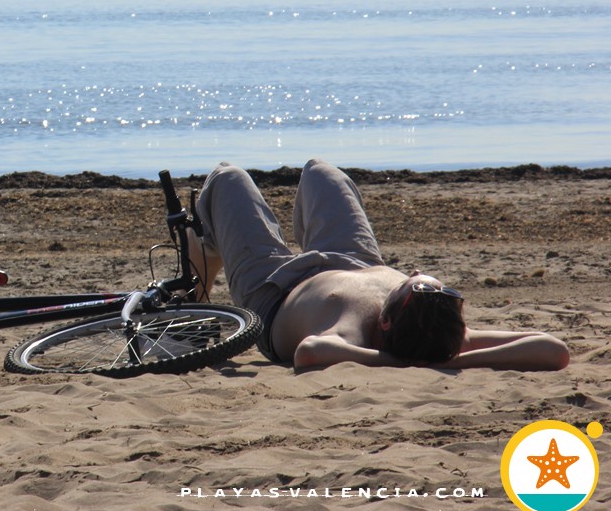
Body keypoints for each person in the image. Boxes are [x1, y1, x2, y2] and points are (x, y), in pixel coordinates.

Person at [187, 159, 570, 372]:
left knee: (227, 178)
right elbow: (553, 349)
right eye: (439, 287)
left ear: (384, 321)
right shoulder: (447, 334)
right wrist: (450, 360)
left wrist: (397, 362)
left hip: (274, 293)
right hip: (355, 258)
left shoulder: (353, 331)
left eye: (417, 285)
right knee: (321, 171)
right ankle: (228, 246)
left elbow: (311, 351)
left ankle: (207, 259)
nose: (420, 277)